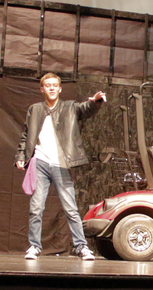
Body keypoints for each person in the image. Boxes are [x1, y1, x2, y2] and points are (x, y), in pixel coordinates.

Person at [16, 73, 106, 260]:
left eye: (54, 85)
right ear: (42, 89)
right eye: (47, 85)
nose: (51, 88)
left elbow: (86, 109)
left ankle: (81, 246)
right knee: (36, 208)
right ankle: (34, 246)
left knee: (71, 209)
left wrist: (96, 102)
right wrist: (21, 155)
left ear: (59, 88)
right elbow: (26, 135)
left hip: (61, 165)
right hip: (40, 162)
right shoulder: (35, 109)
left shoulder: (69, 108)